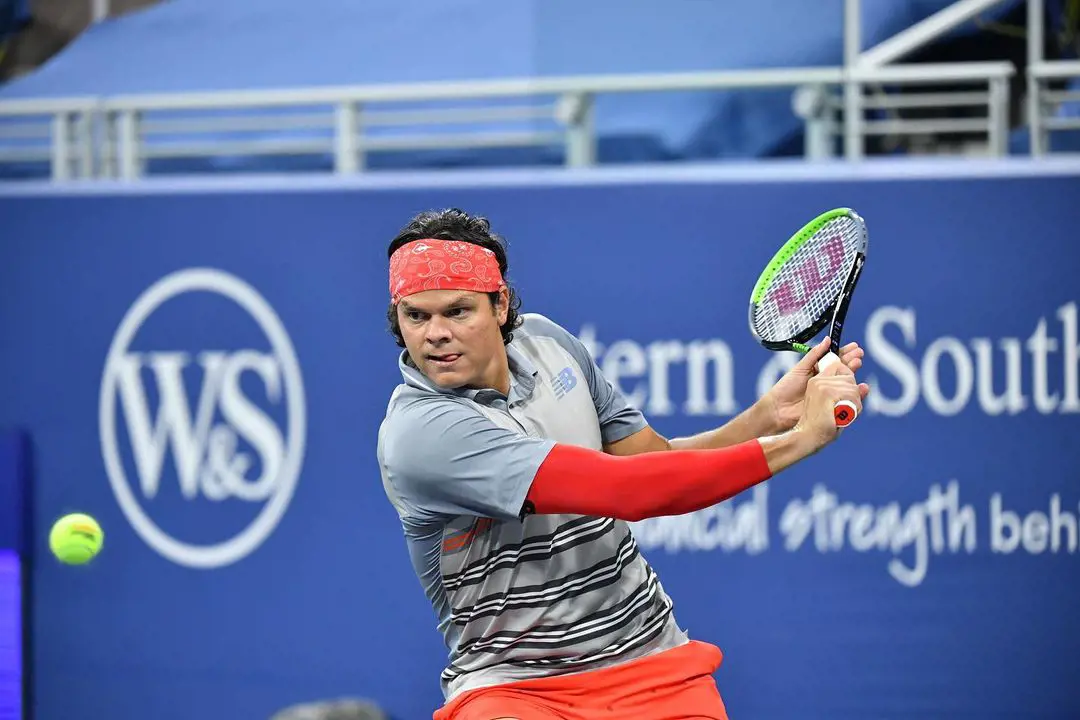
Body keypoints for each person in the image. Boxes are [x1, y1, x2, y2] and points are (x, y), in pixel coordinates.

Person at [377, 208, 870, 720]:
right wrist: (804, 438)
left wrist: (767, 417)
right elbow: (630, 491)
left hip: (651, 660)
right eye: (417, 315)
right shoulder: (421, 433)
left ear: (499, 305)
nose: (435, 333)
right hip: (514, 689)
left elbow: (655, 463)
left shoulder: (548, 343)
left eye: (457, 311)